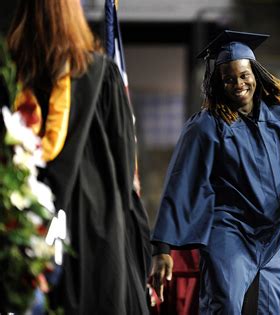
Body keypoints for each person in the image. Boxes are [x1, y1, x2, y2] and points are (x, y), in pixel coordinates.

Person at [149, 30, 280, 314]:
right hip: (230, 232)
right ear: (218, 82)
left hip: (272, 239)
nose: (237, 83)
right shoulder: (207, 126)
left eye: (243, 75)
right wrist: (162, 249)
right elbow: (182, 183)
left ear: (255, 73)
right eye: (228, 78)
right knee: (224, 305)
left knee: (266, 309)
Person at [7, 1, 151, 314]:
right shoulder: (101, 72)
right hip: (96, 228)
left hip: (23, 221)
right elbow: (126, 168)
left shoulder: (12, 74)